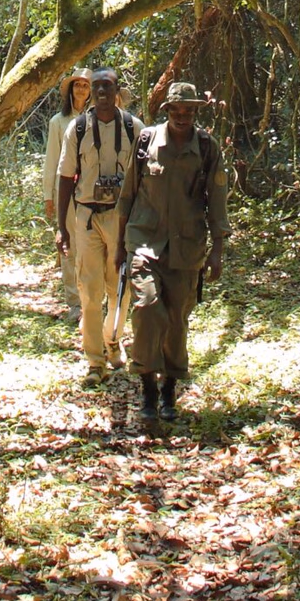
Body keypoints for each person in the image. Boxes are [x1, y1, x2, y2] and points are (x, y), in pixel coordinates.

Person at [116, 80, 229, 421]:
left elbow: (218, 202)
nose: (182, 117)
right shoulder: (147, 141)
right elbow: (128, 195)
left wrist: (217, 249)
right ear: (166, 111)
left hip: (187, 248)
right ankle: (147, 390)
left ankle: (169, 392)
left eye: (189, 111)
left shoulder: (207, 148)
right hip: (145, 242)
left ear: (195, 113)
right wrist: (121, 248)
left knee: (177, 321)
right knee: (148, 310)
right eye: (176, 111)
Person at [56, 67, 139, 378]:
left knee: (120, 288)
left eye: (108, 86)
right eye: (97, 87)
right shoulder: (77, 129)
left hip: (122, 218)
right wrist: (62, 226)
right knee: (90, 292)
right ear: (90, 91)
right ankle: (95, 361)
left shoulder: (134, 128)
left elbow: (145, 179)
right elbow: (65, 178)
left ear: (117, 91)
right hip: (87, 217)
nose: (102, 92)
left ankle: (113, 341)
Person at [42, 70, 91, 313]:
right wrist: (48, 195)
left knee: (91, 245)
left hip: (93, 191)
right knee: (68, 244)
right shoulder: (58, 122)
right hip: (67, 191)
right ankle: (74, 302)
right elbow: (52, 160)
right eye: (77, 85)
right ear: (70, 90)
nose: (81, 89)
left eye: (86, 85)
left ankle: (91, 299)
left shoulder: (98, 120)